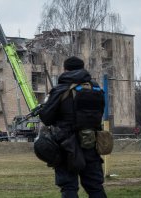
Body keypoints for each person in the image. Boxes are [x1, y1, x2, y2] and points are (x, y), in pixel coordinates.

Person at [39, 56, 107, 198]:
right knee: (95, 186)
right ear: (83, 68)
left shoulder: (61, 89)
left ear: (65, 69)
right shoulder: (96, 89)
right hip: (91, 142)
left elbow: (46, 117)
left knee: (69, 186)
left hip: (67, 146)